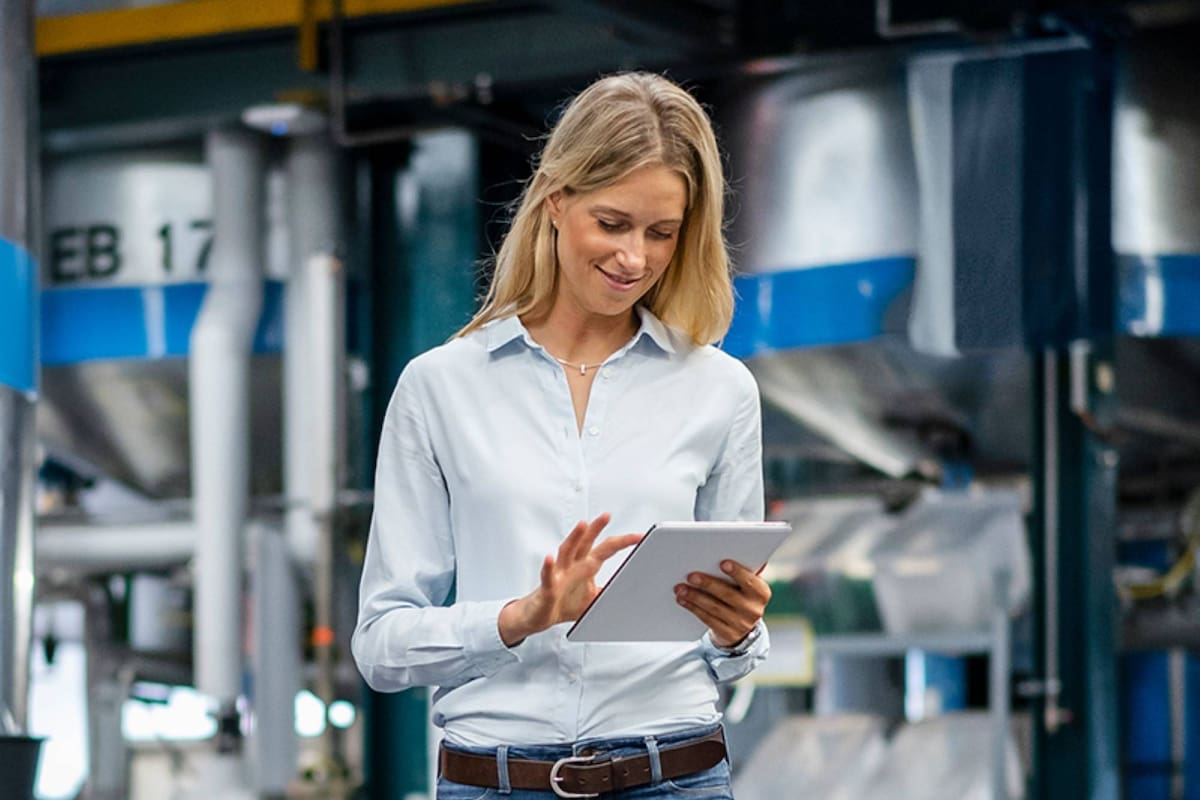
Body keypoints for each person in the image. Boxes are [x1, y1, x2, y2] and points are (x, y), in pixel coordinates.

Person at [352, 71, 771, 799]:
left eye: (662, 233)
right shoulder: (440, 386)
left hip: (674, 773)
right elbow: (381, 648)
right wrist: (523, 617)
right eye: (612, 223)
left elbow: (733, 656)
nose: (634, 258)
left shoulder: (719, 389)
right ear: (555, 200)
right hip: (497, 778)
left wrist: (738, 629)